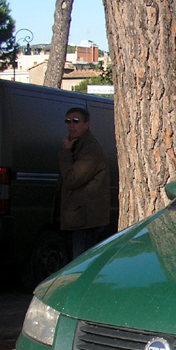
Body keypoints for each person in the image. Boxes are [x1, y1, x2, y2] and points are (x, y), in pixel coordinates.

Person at [56, 106, 111, 259]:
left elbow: (72, 179)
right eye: (68, 121)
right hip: (77, 217)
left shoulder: (91, 149)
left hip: (86, 220)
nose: (71, 125)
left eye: (75, 121)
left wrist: (66, 153)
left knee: (81, 263)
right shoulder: (77, 145)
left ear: (86, 124)